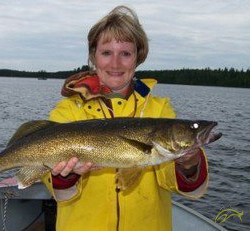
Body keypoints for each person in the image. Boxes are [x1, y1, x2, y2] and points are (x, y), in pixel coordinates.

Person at [42, 5, 208, 231]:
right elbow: (50, 180)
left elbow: (173, 179)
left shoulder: (160, 111)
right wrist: (65, 175)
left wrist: (190, 165)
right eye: (107, 52)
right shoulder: (68, 111)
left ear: (138, 58)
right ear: (93, 56)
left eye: (126, 54)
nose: (116, 63)